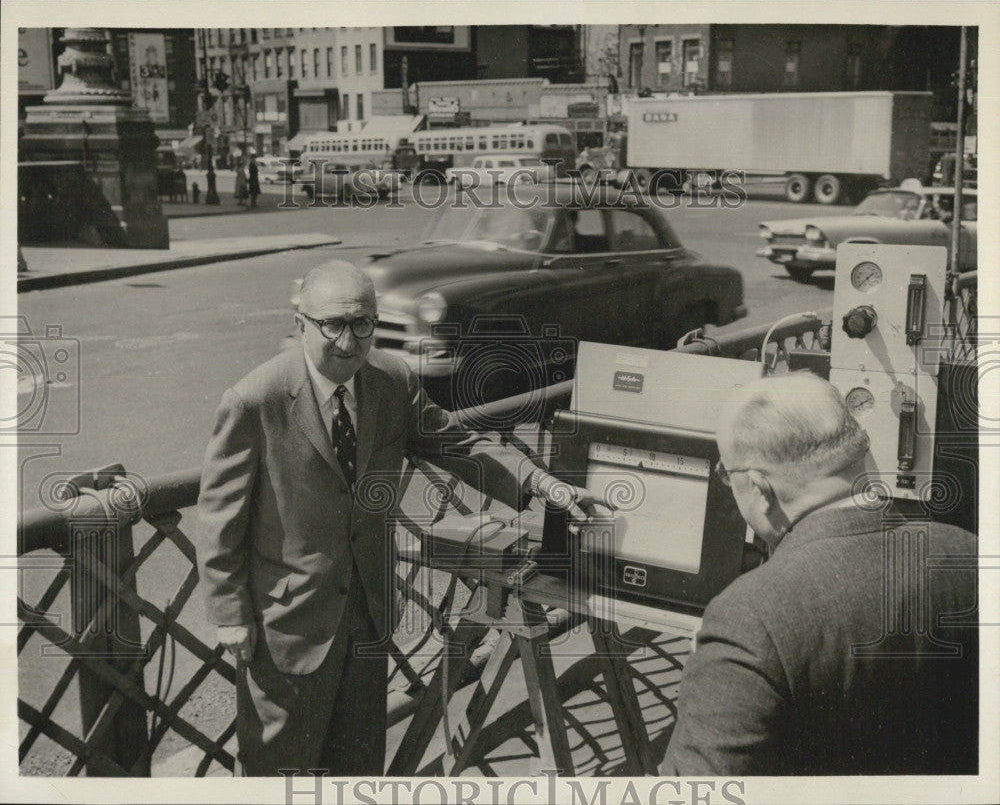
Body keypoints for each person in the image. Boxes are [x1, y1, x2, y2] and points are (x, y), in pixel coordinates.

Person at [197, 260, 599, 776]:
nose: (348, 341)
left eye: (362, 323)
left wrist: (544, 483)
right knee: (279, 767)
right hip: (286, 628)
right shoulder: (255, 400)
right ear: (301, 324)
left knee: (360, 761)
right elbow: (219, 518)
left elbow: (458, 443)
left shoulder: (392, 379)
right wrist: (229, 615)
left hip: (368, 614)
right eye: (333, 325)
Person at [659, 372, 978, 776]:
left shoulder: (747, 618)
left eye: (728, 474)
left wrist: (716, 668)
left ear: (760, 488)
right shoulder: (971, 552)